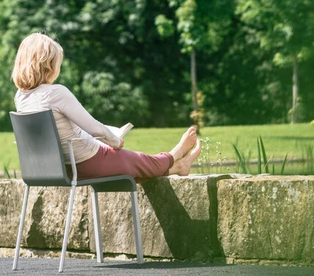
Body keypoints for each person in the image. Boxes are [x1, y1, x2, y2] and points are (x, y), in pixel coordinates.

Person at [12, 32, 201, 182]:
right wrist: (115, 141)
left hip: (61, 169)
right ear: (48, 65)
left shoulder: (21, 98)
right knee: (141, 161)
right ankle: (175, 154)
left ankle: (178, 167)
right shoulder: (56, 93)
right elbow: (94, 128)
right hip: (88, 162)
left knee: (129, 173)